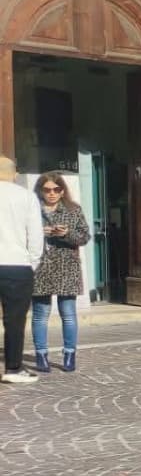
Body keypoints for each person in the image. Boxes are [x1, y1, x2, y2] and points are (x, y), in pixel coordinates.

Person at [30, 173, 89, 374]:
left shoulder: (73, 210)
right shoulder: (31, 209)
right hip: (41, 266)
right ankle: (41, 355)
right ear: (40, 190)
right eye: (47, 189)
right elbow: (19, 235)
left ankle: (70, 354)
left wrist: (66, 234)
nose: (52, 193)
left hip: (67, 266)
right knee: (40, 315)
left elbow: (84, 237)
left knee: (69, 314)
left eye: (56, 189)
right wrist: (40, 232)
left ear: (62, 190)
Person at [0, 155, 42, 386]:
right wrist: (31, 263)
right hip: (17, 265)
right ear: (15, 174)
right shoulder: (26, 196)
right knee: (14, 320)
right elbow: (35, 236)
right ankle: (13, 367)